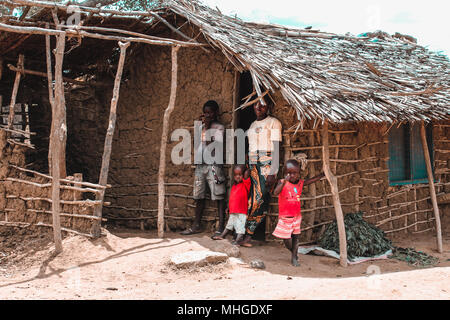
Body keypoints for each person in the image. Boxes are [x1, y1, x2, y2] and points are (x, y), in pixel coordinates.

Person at [181, 100, 226, 236]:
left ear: (216, 113)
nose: (207, 115)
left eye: (210, 112)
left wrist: (207, 126)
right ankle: (197, 225)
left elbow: (212, 145)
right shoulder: (201, 128)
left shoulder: (219, 128)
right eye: (205, 112)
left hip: (214, 164)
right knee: (199, 195)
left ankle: (221, 227)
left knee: (218, 195)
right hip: (201, 164)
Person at [241, 97, 282, 247]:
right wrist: (246, 166)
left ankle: (248, 234)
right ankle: (241, 232)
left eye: (262, 104)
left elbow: (277, 149)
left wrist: (273, 171)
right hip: (252, 166)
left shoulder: (274, 123)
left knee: (259, 200)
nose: (258, 107)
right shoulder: (252, 125)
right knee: (248, 199)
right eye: (256, 104)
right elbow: (250, 149)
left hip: (266, 166)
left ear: (269, 106)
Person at [272, 159, 325, 266]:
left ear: (299, 173)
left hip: (296, 217)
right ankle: (294, 252)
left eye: (294, 173)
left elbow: (309, 181)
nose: (291, 175)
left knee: (296, 238)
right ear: (284, 173)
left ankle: (294, 257)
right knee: (286, 239)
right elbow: (275, 192)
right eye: (288, 173)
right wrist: (285, 181)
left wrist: (320, 176)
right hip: (285, 218)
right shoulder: (282, 182)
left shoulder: (300, 183)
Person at [212, 164, 250, 245]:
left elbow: (247, 173)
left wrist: (246, 168)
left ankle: (239, 240)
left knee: (240, 227)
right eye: (236, 175)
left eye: (240, 174)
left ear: (243, 175)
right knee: (229, 225)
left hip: (241, 211)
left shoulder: (245, 184)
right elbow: (232, 199)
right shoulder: (234, 186)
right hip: (233, 211)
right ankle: (222, 236)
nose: (237, 177)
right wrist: (229, 207)